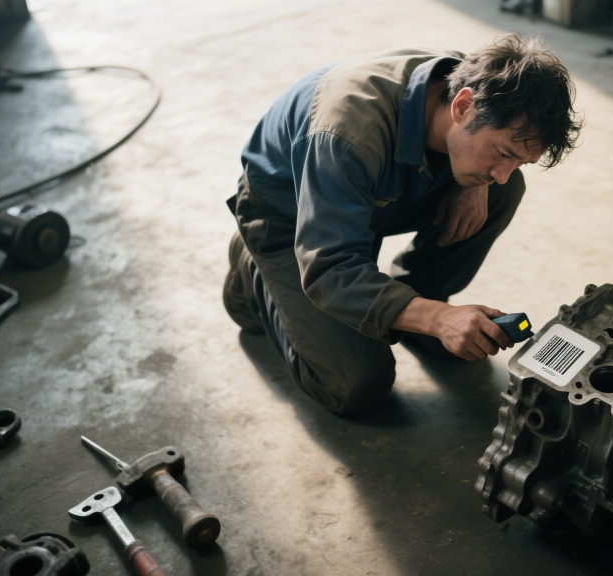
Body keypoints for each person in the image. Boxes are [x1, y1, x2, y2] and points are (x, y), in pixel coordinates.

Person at [224, 33, 581, 414]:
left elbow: (487, 156)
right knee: (356, 385)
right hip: (288, 215)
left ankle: (417, 300)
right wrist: (439, 319)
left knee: (501, 193)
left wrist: (472, 181)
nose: (503, 172)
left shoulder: (480, 83)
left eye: (518, 161)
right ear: (463, 107)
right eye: (504, 153)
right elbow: (331, 270)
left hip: (372, 191)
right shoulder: (348, 134)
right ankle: (255, 263)